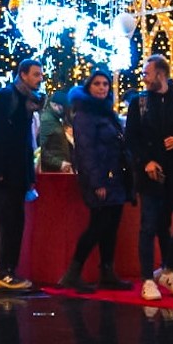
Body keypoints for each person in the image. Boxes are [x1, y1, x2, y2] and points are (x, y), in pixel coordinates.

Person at [125, 54, 173, 301]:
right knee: (150, 226)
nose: (144, 77)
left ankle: (169, 270)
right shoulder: (139, 103)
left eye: (147, 72)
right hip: (151, 176)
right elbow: (131, 138)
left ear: (161, 74)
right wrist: (146, 161)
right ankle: (147, 279)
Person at [58, 68, 132, 292]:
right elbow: (86, 151)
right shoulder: (85, 114)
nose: (102, 88)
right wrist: (97, 182)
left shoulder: (106, 112)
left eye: (105, 84)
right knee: (97, 226)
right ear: (88, 87)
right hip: (100, 179)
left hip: (115, 177)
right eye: (97, 84)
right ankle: (72, 273)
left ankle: (107, 271)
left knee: (111, 227)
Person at [0, 58, 45, 291]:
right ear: (23, 74)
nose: (40, 79)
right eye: (36, 74)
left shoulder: (26, 100)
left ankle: (7, 269)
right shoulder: (6, 97)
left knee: (15, 222)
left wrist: (29, 177)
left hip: (17, 172)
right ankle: (3, 270)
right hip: (4, 173)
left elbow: (25, 143)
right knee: (8, 222)